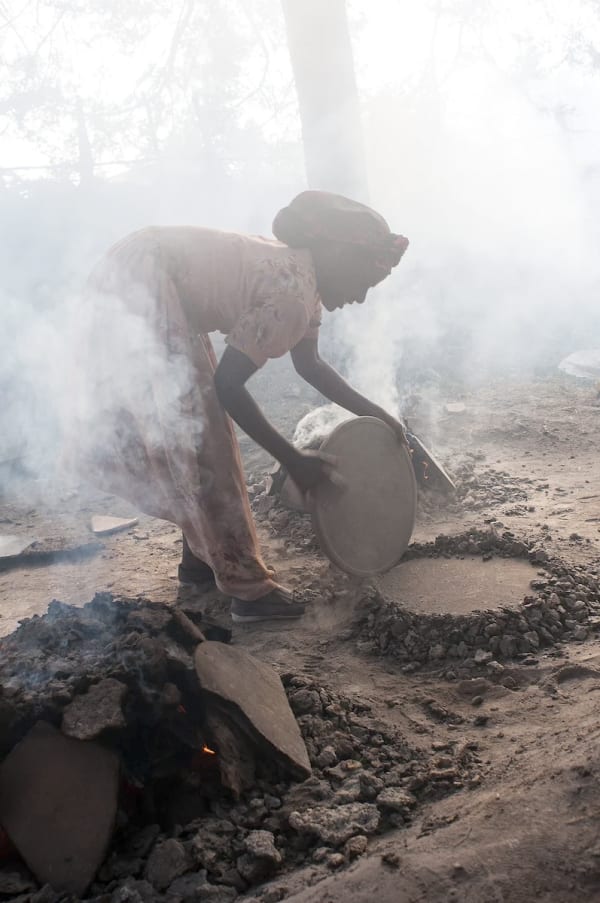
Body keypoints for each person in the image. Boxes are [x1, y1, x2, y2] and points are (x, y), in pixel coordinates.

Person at [72, 191, 409, 622]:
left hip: (141, 268)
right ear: (341, 256)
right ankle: (249, 591)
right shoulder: (292, 292)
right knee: (204, 438)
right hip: (142, 282)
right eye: (364, 283)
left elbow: (311, 365)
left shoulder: (306, 283)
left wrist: (377, 414)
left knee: (194, 434)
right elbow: (229, 387)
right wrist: (293, 460)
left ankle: (199, 564)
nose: (360, 298)